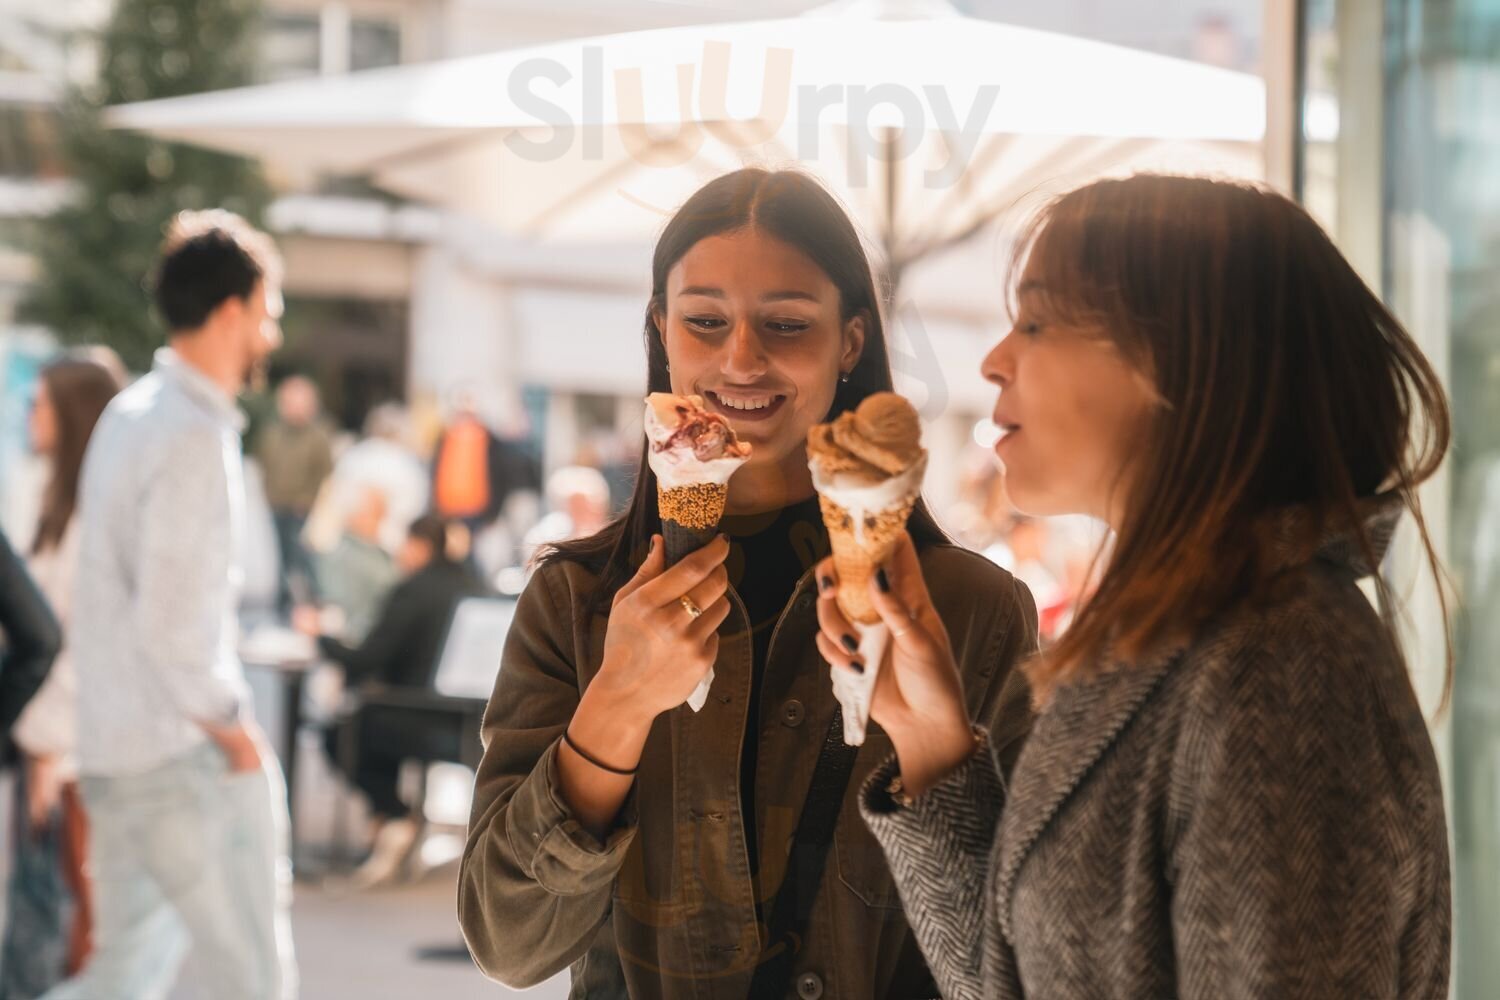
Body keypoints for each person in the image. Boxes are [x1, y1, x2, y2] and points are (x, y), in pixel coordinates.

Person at [818, 174, 1451, 999]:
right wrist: (932, 740)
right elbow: (1024, 982)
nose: (993, 359)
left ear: (1184, 362)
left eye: (1037, 321)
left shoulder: (1281, 670)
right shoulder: (1176, 633)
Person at [458, 168, 1037, 999]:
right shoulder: (576, 604)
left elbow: (1016, 962)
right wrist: (617, 706)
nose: (740, 358)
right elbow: (506, 943)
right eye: (703, 320)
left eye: (787, 323)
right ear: (662, 330)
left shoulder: (971, 614)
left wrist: (933, 755)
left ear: (850, 342)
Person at [42, 210, 297, 1000]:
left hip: (117, 750)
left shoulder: (133, 412)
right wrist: (236, 730)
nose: (272, 333)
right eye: (268, 311)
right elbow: (173, 624)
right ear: (231, 312)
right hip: (183, 754)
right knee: (253, 981)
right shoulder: (189, 432)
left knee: (119, 979)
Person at [1, 355, 121, 998]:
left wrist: (51, 748)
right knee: (38, 910)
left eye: (40, 404)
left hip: (68, 752)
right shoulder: (53, 498)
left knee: (62, 921)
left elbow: (78, 648)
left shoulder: (91, 520)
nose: (29, 414)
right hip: (43, 741)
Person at [307, 515, 486, 887]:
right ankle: (388, 824)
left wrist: (320, 636)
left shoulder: (412, 590)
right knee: (368, 716)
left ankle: (394, 815)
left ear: (420, 545)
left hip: (417, 716)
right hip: (470, 722)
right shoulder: (475, 586)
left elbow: (367, 658)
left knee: (341, 731)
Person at [255, 374, 335, 615]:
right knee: (282, 557)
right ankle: (284, 601)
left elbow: (325, 472)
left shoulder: (318, 436)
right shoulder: (273, 433)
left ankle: (315, 601)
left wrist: (309, 499)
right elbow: (265, 463)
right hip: (278, 503)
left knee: (305, 558)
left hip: (304, 508)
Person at [520, 465, 612, 567]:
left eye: (594, 505)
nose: (591, 512)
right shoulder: (548, 534)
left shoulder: (609, 536)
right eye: (578, 507)